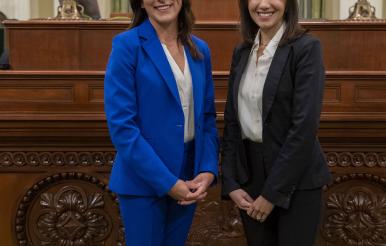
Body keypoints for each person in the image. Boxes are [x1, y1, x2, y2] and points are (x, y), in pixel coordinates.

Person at [104, 0, 219, 245]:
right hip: (143, 181)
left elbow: (207, 117)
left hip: (189, 178)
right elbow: (123, 128)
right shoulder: (127, 46)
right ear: (141, 3)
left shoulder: (200, 50)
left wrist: (207, 169)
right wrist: (167, 182)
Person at [221, 0, 332, 245]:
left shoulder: (306, 48)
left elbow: (304, 128)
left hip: (295, 180)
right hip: (249, 178)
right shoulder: (242, 52)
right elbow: (232, 121)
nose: (263, 4)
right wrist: (231, 182)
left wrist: (272, 193)